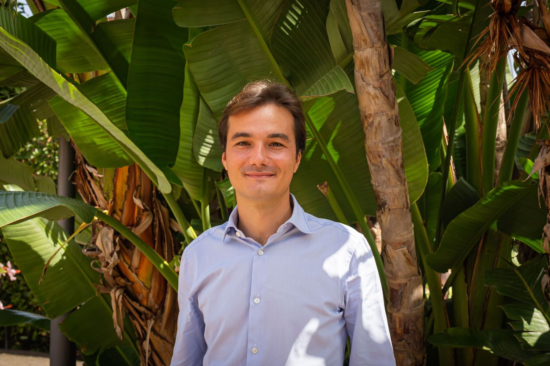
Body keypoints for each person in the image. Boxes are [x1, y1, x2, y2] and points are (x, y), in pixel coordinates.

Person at [170, 81, 395, 365]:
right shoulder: (198, 256)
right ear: (225, 158)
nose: (259, 158)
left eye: (275, 144)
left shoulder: (346, 250)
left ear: (297, 158)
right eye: (243, 143)